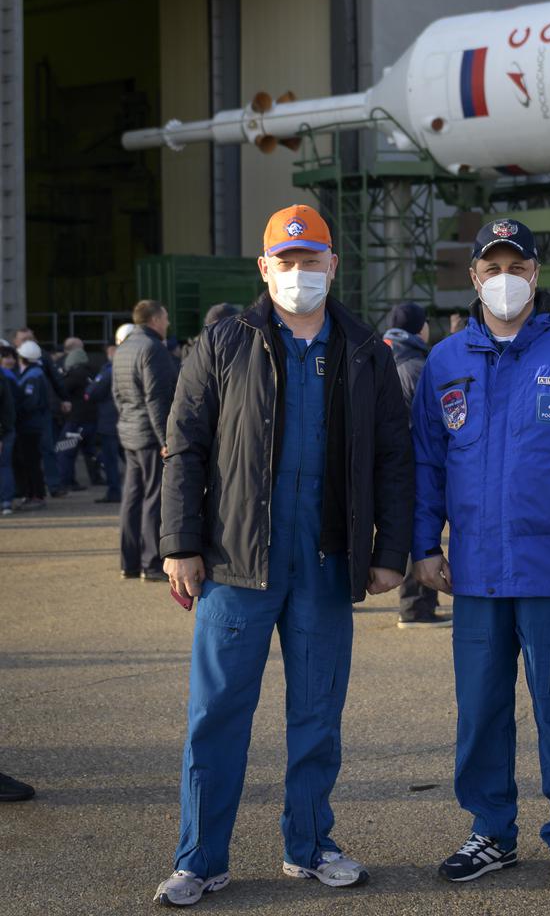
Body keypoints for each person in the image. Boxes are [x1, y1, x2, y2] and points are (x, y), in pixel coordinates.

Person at [155, 203, 413, 907]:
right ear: (265, 268)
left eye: (313, 260)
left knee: (317, 717)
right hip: (235, 564)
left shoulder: (364, 350)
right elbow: (185, 446)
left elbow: (395, 457)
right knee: (216, 717)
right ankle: (200, 858)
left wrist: (389, 551)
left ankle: (310, 844)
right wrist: (179, 543)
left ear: (334, 265)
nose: (301, 273)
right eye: (287, 261)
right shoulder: (223, 342)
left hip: (326, 563)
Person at [411, 219, 550, 892]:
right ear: (474, 277)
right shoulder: (446, 362)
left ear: (535, 273)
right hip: (475, 574)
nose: (504, 277)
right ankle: (490, 832)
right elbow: (426, 461)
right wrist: (424, 544)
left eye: (517, 264)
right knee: (480, 709)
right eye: (491, 266)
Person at [383, 302, 448, 630]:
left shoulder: (381, 358)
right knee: (417, 532)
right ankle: (416, 607)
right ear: (418, 329)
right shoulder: (417, 366)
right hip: (411, 462)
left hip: (388, 464)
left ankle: (416, 605)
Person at [112, 300, 176, 581]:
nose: (168, 324)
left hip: (129, 431)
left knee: (132, 498)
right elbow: (156, 399)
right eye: (165, 318)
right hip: (150, 435)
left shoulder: (123, 348)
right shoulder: (153, 350)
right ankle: (151, 563)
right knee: (153, 498)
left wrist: (127, 422)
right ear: (154, 320)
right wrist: (165, 438)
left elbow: (116, 394)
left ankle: (129, 562)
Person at [13, 328, 70, 488]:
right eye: (24, 339)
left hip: (41, 410)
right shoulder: (10, 358)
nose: (28, 343)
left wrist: (64, 398)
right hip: (19, 412)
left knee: (47, 447)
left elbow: (55, 378)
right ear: (15, 342)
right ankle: (26, 487)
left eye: (31, 339)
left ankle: (54, 485)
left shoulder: (42, 357)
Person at [56, 346, 103, 492]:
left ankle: (67, 481)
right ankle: (97, 478)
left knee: (65, 449)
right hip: (92, 420)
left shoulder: (74, 375)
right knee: (90, 451)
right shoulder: (94, 373)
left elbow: (61, 389)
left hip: (76, 421)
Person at [13, 340, 49, 509]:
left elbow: (30, 402)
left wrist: (15, 413)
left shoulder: (32, 376)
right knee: (30, 461)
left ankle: (36, 495)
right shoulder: (35, 373)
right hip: (32, 424)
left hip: (29, 426)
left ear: (23, 358)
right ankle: (33, 494)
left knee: (31, 461)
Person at [86, 345, 123, 505]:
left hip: (109, 422)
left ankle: (114, 492)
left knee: (110, 461)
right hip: (126, 421)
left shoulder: (109, 370)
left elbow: (92, 392)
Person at [0, 345, 17, 516]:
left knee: (4, 466)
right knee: (5, 465)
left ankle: (6, 501)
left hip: (4, 430)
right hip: (7, 428)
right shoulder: (5, 376)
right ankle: (6, 502)